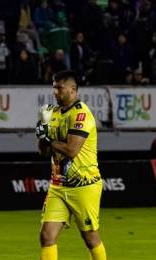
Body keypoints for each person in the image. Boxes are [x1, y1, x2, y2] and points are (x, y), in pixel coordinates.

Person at [35, 70, 106, 260]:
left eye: (59, 88)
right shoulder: (53, 113)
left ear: (73, 89)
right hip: (58, 185)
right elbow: (43, 151)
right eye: (54, 88)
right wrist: (42, 132)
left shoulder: (82, 114)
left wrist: (48, 139)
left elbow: (71, 150)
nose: (55, 92)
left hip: (84, 185)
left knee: (90, 238)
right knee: (46, 236)